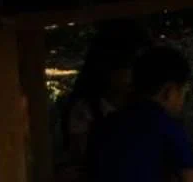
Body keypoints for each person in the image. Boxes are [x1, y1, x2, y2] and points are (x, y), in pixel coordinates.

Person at [87, 46, 193, 182]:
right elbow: (191, 179)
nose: (183, 101)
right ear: (169, 92)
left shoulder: (105, 125)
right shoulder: (166, 127)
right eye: (183, 93)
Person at [56, 21, 148, 182]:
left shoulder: (144, 108)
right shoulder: (85, 111)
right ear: (107, 68)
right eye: (128, 65)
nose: (134, 74)